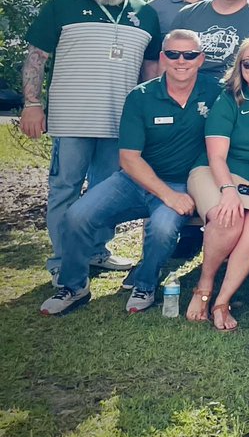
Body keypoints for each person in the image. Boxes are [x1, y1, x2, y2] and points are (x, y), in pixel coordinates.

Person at [39, 30, 221, 315]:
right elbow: (128, 158)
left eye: (189, 55)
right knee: (77, 215)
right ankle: (74, 286)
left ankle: (146, 284)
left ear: (201, 59)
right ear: (162, 58)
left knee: (162, 229)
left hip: (183, 182)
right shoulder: (141, 97)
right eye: (173, 54)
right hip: (135, 180)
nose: (181, 61)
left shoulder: (216, 93)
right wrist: (168, 196)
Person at [21, 0, 162, 286]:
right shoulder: (63, 3)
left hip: (121, 124)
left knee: (105, 191)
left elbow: (151, 70)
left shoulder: (145, 13)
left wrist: (151, 118)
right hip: (73, 119)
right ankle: (62, 259)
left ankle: (97, 251)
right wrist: (31, 103)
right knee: (65, 188)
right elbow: (36, 57)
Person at [186, 36, 249, 331]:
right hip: (216, 171)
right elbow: (216, 156)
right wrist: (228, 191)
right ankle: (204, 285)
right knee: (227, 216)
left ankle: (223, 299)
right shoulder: (229, 99)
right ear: (240, 68)